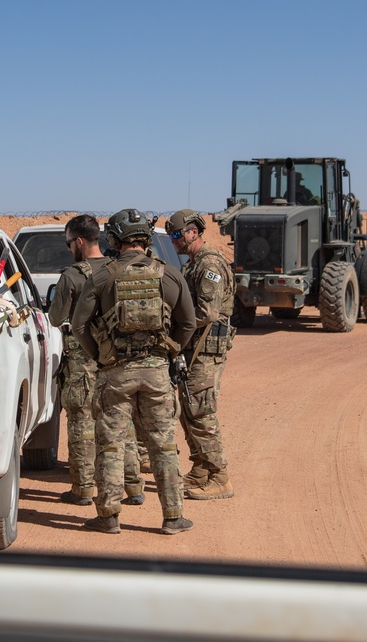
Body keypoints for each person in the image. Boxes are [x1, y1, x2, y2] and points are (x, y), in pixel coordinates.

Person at [72, 208, 196, 535]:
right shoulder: (169, 274)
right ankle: (172, 517)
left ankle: (109, 517)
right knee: (163, 444)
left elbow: (79, 325)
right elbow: (188, 324)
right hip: (156, 372)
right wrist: (170, 351)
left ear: (114, 239)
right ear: (145, 238)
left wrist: (101, 356)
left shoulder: (102, 276)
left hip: (116, 372)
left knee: (111, 443)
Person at [48, 215, 145, 507]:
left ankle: (83, 489)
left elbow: (55, 318)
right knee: (122, 423)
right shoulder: (120, 269)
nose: (68, 249)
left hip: (82, 362)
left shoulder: (73, 276)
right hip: (118, 360)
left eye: (68, 243)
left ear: (79, 242)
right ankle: (134, 487)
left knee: (81, 425)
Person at [165, 209, 236, 500]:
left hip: (206, 350)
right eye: (171, 236)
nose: (174, 241)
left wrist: (176, 324)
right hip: (195, 348)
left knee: (201, 411)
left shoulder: (210, 265)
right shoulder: (193, 265)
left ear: (194, 231)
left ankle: (219, 476)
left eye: (178, 235)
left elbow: (207, 312)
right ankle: (202, 469)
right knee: (189, 411)